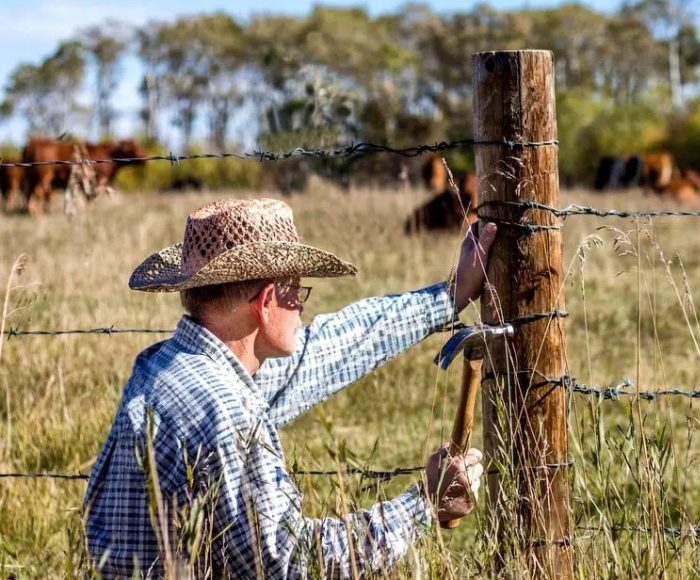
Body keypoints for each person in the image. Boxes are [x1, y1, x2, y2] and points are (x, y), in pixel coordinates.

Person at [82, 198, 497, 578]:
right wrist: (423, 502)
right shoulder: (226, 409)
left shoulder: (165, 367)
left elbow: (329, 350)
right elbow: (291, 563)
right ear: (266, 303)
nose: (301, 306)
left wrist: (449, 297)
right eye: (297, 290)